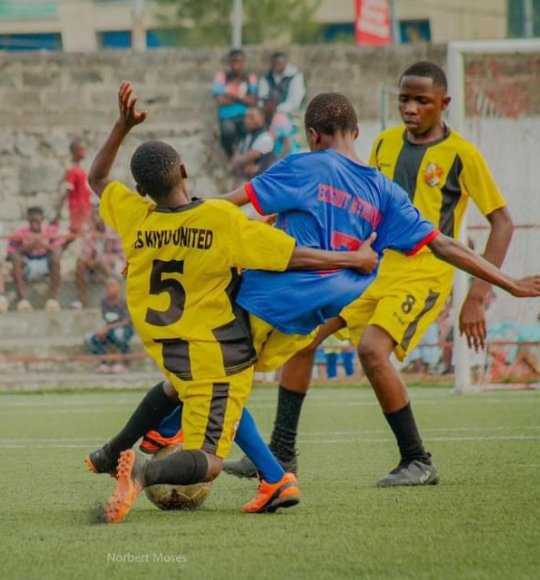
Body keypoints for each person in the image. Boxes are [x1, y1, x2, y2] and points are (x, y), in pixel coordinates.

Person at [84, 82, 382, 523]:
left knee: (176, 390)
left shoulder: (134, 218)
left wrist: (121, 126)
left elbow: (97, 179)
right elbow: (291, 255)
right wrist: (351, 257)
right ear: (183, 172)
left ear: (141, 191)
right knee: (210, 457)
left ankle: (117, 451)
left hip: (168, 344)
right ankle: (143, 472)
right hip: (219, 350)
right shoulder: (220, 220)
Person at [226, 61, 534, 487]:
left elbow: (497, 223)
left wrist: (478, 296)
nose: (410, 108)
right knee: (305, 337)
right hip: (373, 266)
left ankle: (417, 459)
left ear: (444, 103)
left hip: (424, 272)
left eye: (421, 101)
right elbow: (347, 197)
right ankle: (282, 452)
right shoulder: (384, 145)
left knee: (372, 350)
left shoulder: (463, 155)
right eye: (404, 99)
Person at [8, 206, 64, 312]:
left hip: (45, 260)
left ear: (42, 220)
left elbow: (58, 251)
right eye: (32, 221)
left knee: (56, 260)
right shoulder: (20, 232)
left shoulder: (50, 231)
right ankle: (23, 301)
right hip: (28, 261)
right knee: (16, 260)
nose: (35, 224)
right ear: (28, 220)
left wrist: (42, 244)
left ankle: (52, 300)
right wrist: (29, 246)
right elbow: (11, 253)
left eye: (37, 221)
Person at [74, 208, 124, 308]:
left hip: (114, 262)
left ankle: (115, 299)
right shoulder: (90, 232)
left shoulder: (112, 230)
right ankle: (83, 300)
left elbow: (120, 253)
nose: (97, 222)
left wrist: (101, 259)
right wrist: (90, 260)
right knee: (80, 263)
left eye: (99, 219)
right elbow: (85, 251)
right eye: (94, 219)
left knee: (103, 262)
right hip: (95, 263)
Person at [212, 49, 259, 157]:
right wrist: (242, 97)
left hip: (245, 115)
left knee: (251, 132)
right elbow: (220, 100)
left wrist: (231, 94)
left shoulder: (250, 78)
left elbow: (252, 101)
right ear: (230, 62)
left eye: (239, 61)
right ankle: (231, 157)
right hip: (226, 116)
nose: (237, 65)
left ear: (244, 62)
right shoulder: (222, 76)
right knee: (228, 132)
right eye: (234, 61)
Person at [85, 277, 134, 374]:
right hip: (109, 330)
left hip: (124, 329)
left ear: (119, 288)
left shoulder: (124, 302)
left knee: (118, 334)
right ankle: (104, 363)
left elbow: (127, 321)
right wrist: (102, 330)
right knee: (89, 337)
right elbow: (106, 320)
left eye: (112, 286)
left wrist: (108, 328)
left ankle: (124, 363)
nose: (109, 289)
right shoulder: (104, 303)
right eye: (107, 286)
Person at [53, 137, 94, 236]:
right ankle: (58, 249)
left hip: (85, 207)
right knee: (76, 234)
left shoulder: (81, 169)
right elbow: (68, 190)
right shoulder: (73, 170)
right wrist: (58, 212)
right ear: (75, 151)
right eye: (81, 149)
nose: (84, 152)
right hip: (78, 208)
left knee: (82, 234)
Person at [228, 107, 274, 179]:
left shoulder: (266, 138)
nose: (248, 121)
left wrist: (238, 160)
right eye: (246, 118)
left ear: (262, 117)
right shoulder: (248, 136)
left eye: (252, 117)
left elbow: (247, 158)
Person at [257, 51, 306, 118]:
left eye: (280, 63)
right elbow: (261, 98)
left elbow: (294, 103)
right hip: (269, 115)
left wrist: (277, 109)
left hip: (292, 116)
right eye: (276, 63)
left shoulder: (295, 76)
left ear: (285, 62)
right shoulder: (266, 78)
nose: (278, 65)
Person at [263, 94, 294, 159]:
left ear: (273, 104)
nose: (264, 105)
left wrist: (279, 160)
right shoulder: (269, 118)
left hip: (286, 158)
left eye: (267, 103)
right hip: (276, 157)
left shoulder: (280, 119)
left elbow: (287, 144)